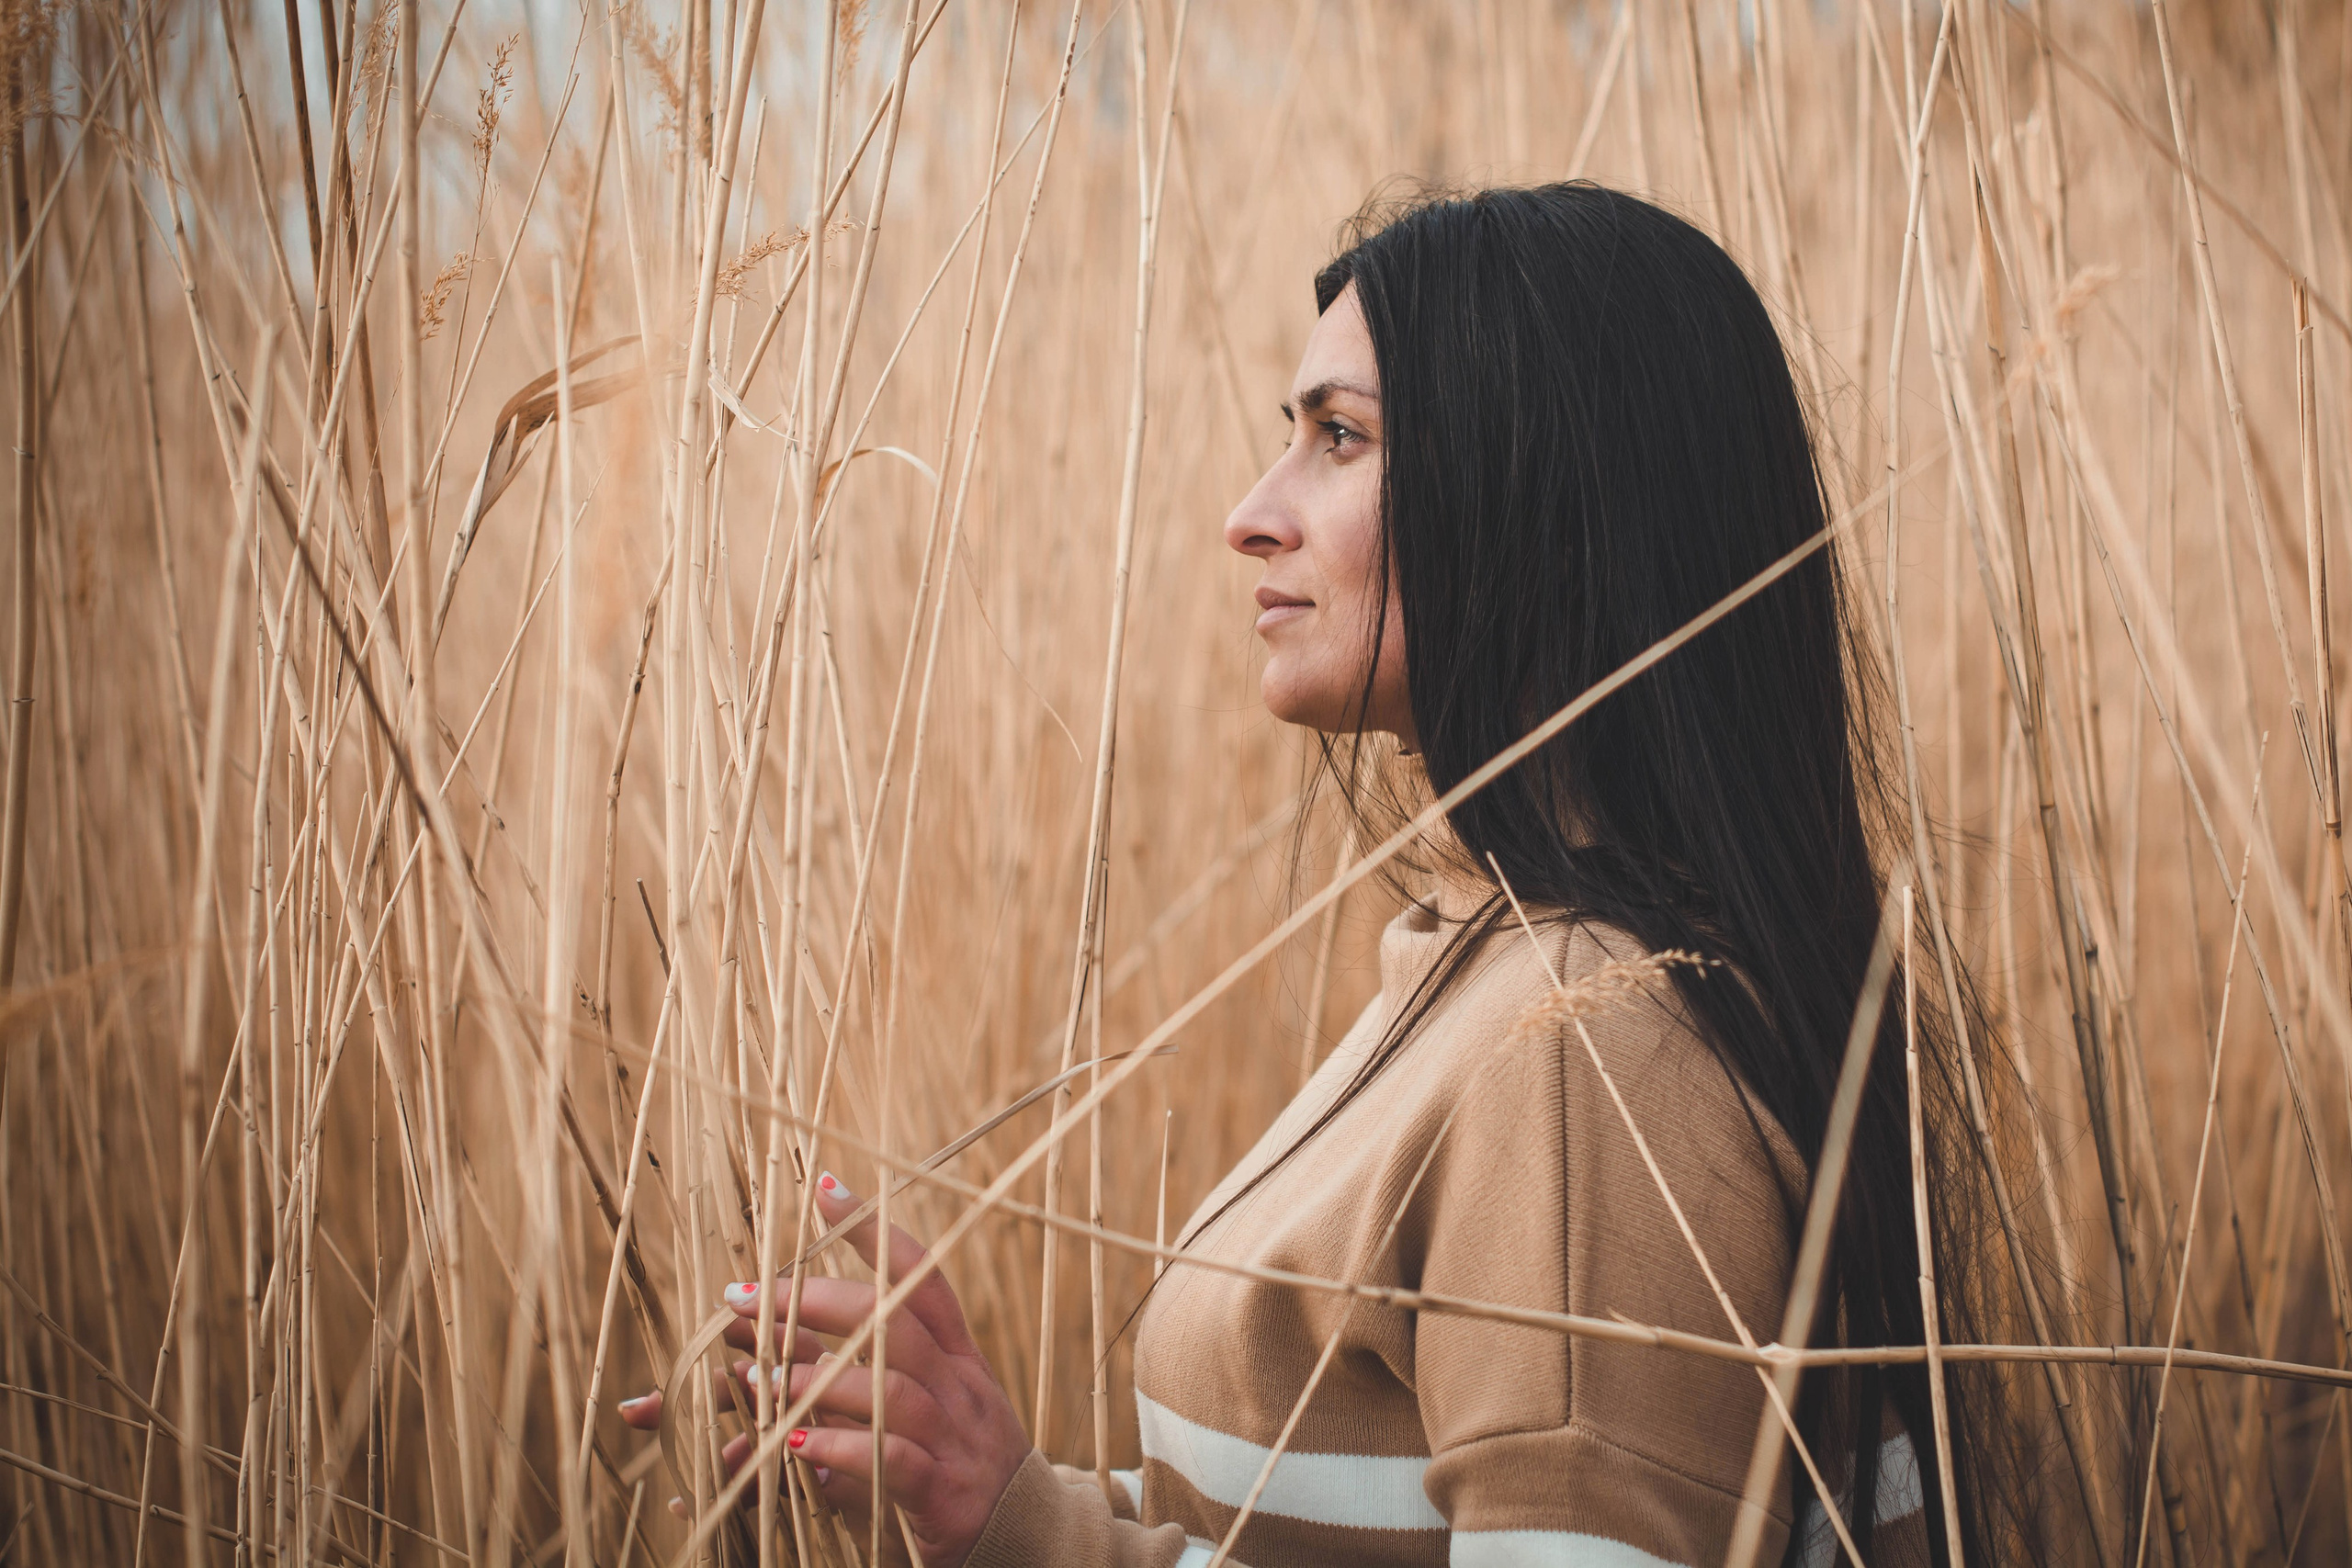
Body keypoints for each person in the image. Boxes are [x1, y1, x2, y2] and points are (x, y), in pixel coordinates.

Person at [622, 182, 2020, 1568]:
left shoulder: (1593, 1054)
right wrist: (969, 1468)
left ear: (1545, 500)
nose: (1251, 514)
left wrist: (1043, 1539)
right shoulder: (1496, 961)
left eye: (1338, 437)